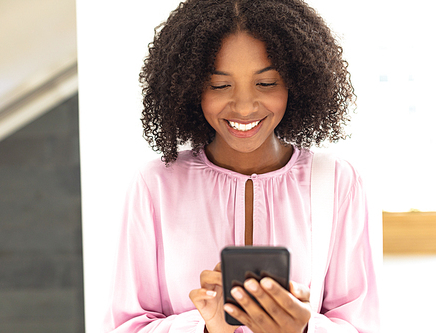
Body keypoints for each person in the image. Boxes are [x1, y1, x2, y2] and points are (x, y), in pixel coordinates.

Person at [104, 0, 380, 332]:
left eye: (266, 83)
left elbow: (361, 324)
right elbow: (124, 326)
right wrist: (206, 328)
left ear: (296, 81)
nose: (245, 106)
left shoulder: (338, 182)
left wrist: (304, 329)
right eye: (220, 85)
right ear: (191, 87)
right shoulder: (155, 185)